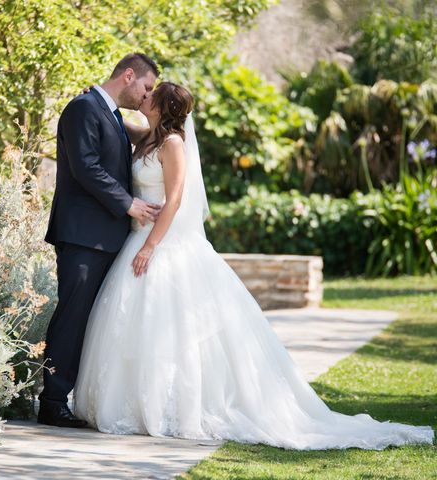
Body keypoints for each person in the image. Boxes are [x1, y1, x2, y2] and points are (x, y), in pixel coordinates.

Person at [73, 81, 434, 449]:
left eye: (151, 95)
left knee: (172, 330)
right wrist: (103, 103)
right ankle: (134, 403)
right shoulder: (148, 138)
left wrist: (150, 246)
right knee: (131, 327)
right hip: (138, 237)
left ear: (163, 108)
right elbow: (119, 126)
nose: (144, 96)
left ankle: (173, 407)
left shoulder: (173, 145)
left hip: (162, 244)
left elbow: (176, 201)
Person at [39, 53, 161, 428]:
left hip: (106, 238)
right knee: (72, 318)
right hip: (83, 237)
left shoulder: (110, 114)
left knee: (93, 322)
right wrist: (129, 204)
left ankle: (72, 396)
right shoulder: (82, 108)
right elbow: (85, 166)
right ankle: (53, 401)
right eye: (146, 86)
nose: (146, 96)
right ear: (128, 76)